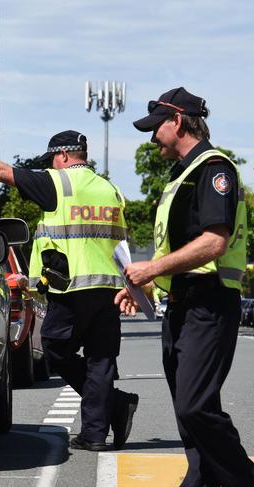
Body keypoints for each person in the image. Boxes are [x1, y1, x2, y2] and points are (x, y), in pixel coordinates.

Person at [0, 128, 138, 451]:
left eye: (52, 160)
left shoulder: (57, 183)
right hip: (109, 287)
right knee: (101, 359)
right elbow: (119, 243)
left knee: (55, 347)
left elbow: (0, 171)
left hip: (72, 287)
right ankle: (97, 433)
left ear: (64, 156)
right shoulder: (109, 189)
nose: (50, 167)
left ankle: (112, 406)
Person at [116, 87, 253, 486]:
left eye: (155, 127)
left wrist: (152, 268)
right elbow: (177, 248)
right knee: (189, 414)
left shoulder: (213, 169)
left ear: (176, 121)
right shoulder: (181, 176)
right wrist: (145, 284)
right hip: (181, 306)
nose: (151, 136)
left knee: (195, 408)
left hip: (208, 304)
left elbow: (214, 242)